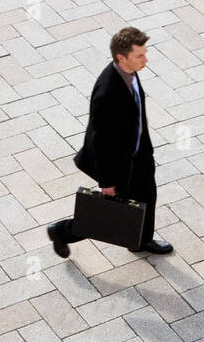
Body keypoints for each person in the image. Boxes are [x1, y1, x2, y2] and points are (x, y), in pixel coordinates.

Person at [47, 27, 172, 258]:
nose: (146, 59)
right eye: (140, 55)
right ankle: (62, 232)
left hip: (139, 155)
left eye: (145, 53)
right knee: (109, 214)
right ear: (120, 57)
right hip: (118, 165)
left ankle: (139, 240)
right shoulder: (107, 92)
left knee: (147, 197)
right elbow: (100, 140)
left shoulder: (129, 72)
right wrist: (107, 182)